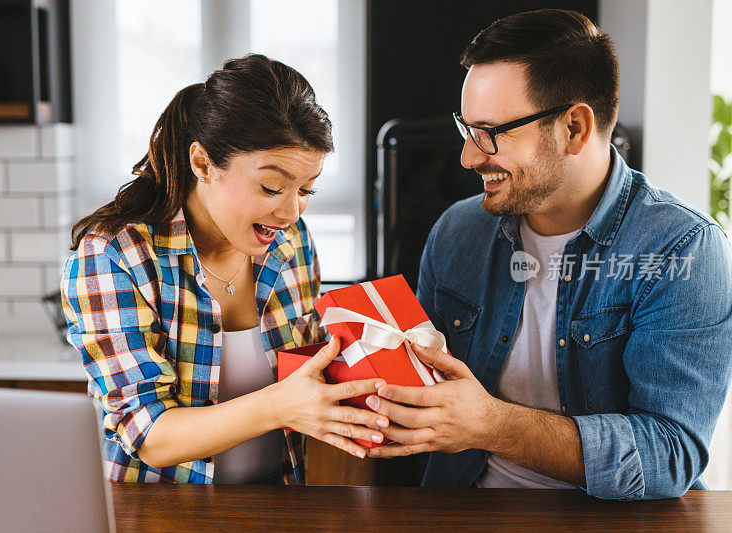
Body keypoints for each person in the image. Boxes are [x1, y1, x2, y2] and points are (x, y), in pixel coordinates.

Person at [364, 9, 732, 500]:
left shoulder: (681, 250)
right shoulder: (457, 231)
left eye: (490, 133)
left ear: (575, 128)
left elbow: (669, 455)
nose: (469, 157)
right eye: (466, 129)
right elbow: (423, 392)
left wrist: (491, 425)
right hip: (460, 507)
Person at [61, 54, 387, 485]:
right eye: (272, 187)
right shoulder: (115, 256)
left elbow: (307, 371)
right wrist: (279, 405)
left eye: (307, 189)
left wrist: (381, 368)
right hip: (159, 515)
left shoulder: (291, 242)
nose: (291, 210)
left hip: (277, 504)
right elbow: (149, 433)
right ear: (203, 164)